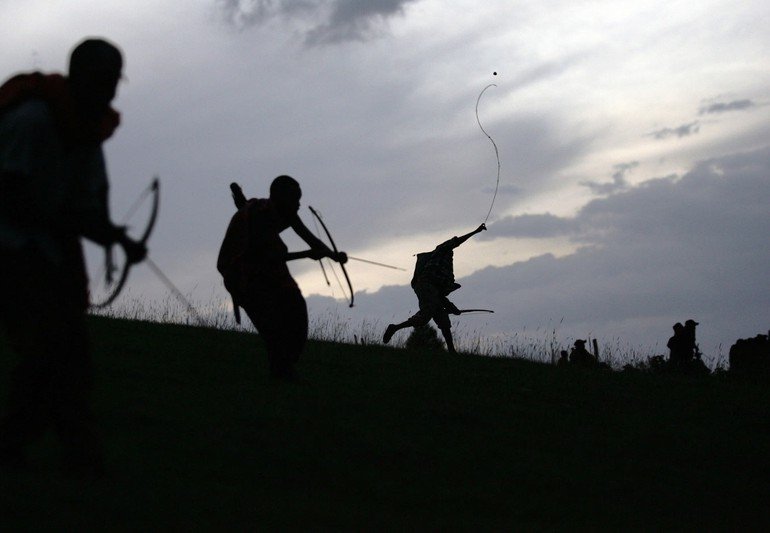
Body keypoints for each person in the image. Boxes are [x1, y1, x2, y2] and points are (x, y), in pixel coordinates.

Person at [0, 38, 146, 476]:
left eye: (113, 82)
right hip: (11, 249)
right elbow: (12, 196)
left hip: (44, 250)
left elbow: (84, 208)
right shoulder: (32, 120)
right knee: (51, 351)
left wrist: (116, 239)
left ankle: (64, 450)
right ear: (79, 76)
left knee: (64, 354)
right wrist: (71, 225)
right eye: (102, 81)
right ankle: (63, 450)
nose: (109, 92)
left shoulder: (84, 132)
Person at [217, 175, 347, 380]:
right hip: (242, 274)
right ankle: (283, 373)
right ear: (280, 199)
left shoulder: (286, 213)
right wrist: (306, 254)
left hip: (267, 272)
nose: (299, 204)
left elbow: (312, 241)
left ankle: (283, 371)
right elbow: (266, 257)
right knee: (272, 328)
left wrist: (334, 256)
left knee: (294, 308)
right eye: (295, 199)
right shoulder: (259, 217)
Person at [382, 223, 487, 354]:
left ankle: (452, 351)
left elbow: (439, 295)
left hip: (431, 290)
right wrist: (476, 231)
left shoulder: (445, 271)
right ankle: (395, 328)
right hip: (425, 286)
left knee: (443, 320)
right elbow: (457, 241)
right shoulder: (442, 250)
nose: (452, 254)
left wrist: (451, 308)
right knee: (424, 317)